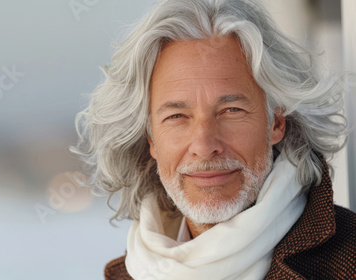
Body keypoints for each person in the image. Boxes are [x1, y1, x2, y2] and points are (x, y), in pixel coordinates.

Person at [71, 0, 356, 279]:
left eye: (231, 111)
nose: (205, 146)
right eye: (177, 117)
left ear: (276, 123)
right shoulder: (127, 273)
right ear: (151, 139)